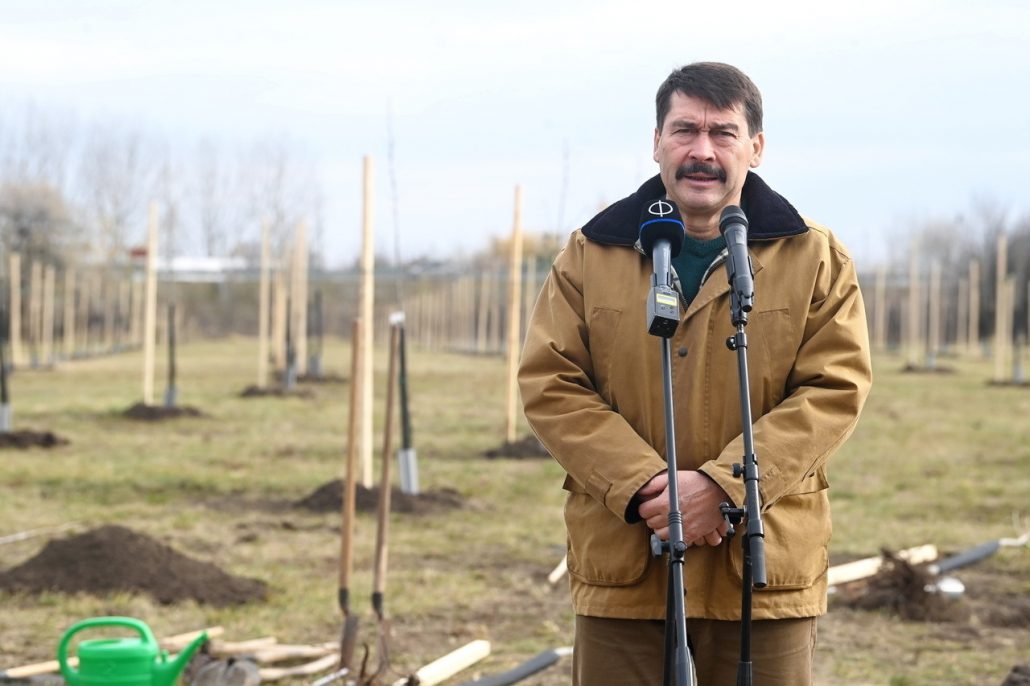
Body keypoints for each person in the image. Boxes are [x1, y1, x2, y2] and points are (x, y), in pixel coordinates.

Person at [518, 62, 872, 685]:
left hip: (762, 576)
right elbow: (551, 383)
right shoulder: (589, 253)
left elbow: (834, 388)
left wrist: (722, 488)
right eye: (684, 130)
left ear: (755, 148)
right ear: (656, 141)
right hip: (626, 571)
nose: (701, 151)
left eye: (723, 133)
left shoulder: (815, 257)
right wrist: (649, 488)